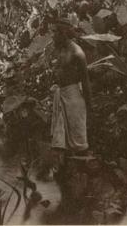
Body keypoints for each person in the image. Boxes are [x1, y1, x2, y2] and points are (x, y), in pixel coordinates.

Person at [50, 19, 92, 157]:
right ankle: (65, 172)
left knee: (78, 141)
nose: (52, 35)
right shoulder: (60, 49)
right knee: (62, 142)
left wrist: (89, 106)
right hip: (61, 94)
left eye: (55, 32)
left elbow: (85, 81)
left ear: (63, 33)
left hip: (74, 98)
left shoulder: (77, 53)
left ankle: (84, 170)